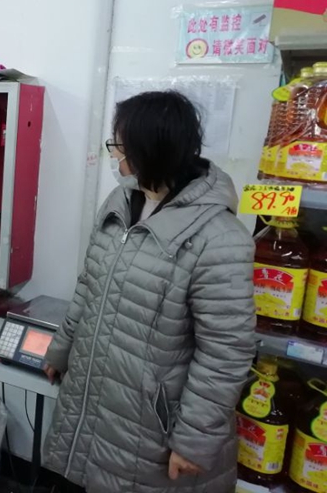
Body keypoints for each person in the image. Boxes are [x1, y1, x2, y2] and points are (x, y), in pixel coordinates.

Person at [43, 91, 256, 493]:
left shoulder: (219, 238)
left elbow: (226, 351)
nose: (115, 157)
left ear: (152, 150)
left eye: (120, 147)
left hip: (154, 425)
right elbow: (90, 284)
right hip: (95, 392)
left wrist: (194, 440)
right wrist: (61, 350)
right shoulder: (122, 200)